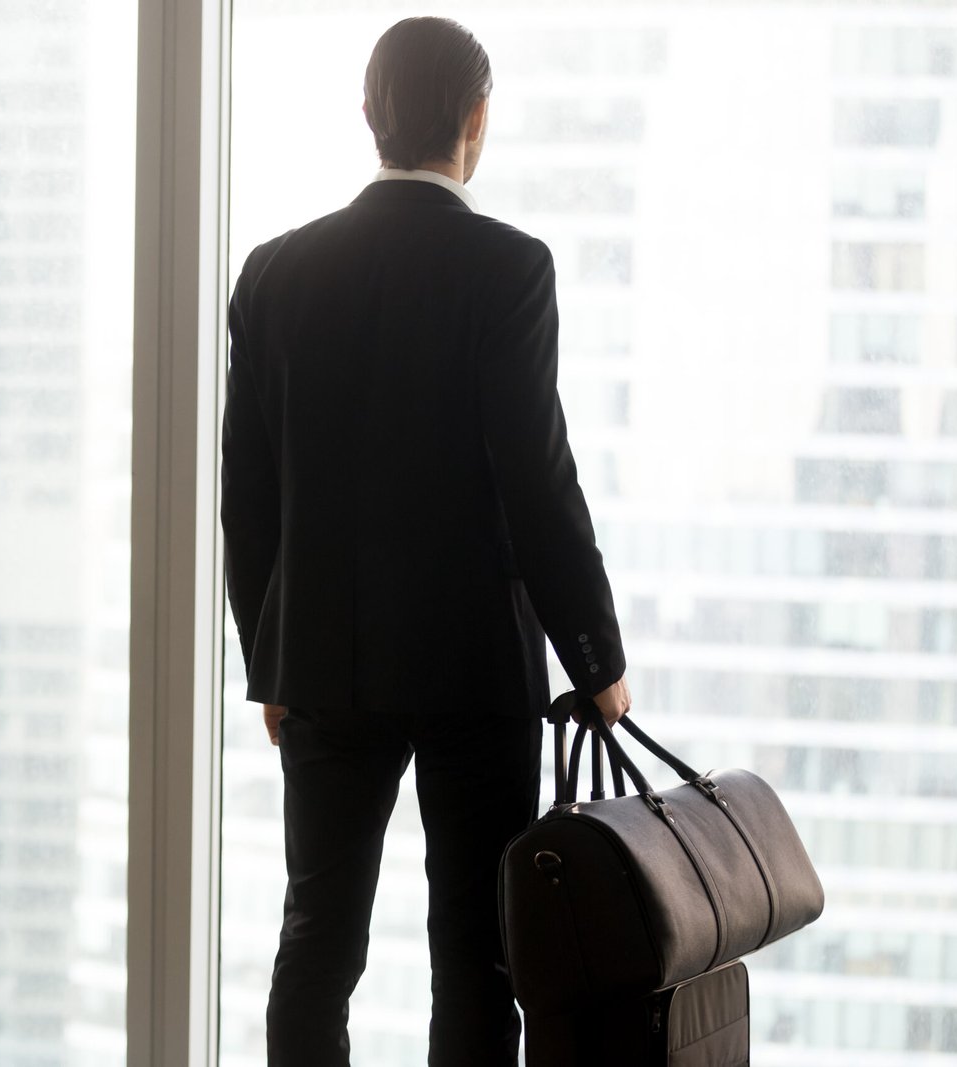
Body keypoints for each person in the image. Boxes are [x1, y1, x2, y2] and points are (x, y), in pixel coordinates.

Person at [220, 15, 631, 1067]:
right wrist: (597, 657)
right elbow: (536, 475)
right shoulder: (508, 269)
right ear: (476, 120)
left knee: (316, 942)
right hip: (472, 669)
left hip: (322, 662)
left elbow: (247, 496)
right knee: (479, 956)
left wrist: (270, 657)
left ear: (367, 116)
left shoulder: (274, 273)